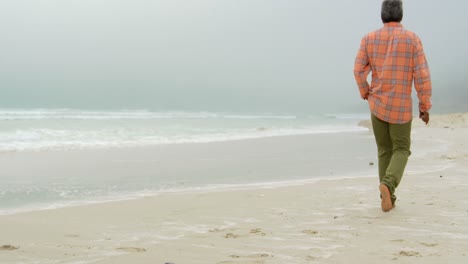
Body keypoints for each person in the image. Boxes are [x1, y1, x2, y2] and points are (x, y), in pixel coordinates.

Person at [353, 0, 432, 212]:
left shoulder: (369, 39)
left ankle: (387, 195)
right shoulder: (412, 39)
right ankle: (388, 185)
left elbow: (358, 70)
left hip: (377, 103)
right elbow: (422, 76)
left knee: (384, 150)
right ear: (401, 15)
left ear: (382, 15)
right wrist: (424, 106)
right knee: (402, 149)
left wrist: (365, 91)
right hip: (401, 106)